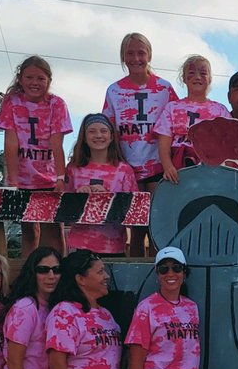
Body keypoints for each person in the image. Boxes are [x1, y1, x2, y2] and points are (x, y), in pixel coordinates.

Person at [102, 32, 179, 256]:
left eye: (141, 53)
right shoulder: (114, 90)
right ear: (123, 58)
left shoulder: (164, 88)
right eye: (130, 53)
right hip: (128, 168)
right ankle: (134, 281)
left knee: (157, 225)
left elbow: (176, 123)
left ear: (149, 55)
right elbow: (109, 128)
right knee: (135, 228)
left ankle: (159, 277)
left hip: (158, 166)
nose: (136, 58)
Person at [0, 55, 71, 259]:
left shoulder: (57, 104)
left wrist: (60, 177)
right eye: (29, 77)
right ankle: (29, 272)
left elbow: (57, 143)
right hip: (23, 177)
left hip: (48, 176)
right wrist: (12, 180)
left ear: (48, 81)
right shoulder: (12, 102)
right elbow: (11, 142)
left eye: (40, 78)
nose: (34, 83)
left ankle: (58, 270)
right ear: (21, 79)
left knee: (54, 229)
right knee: (29, 230)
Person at [63, 113, 139, 256]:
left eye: (103, 131)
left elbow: (132, 212)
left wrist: (108, 198)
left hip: (113, 245)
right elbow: (65, 209)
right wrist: (79, 196)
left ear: (111, 137)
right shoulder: (73, 169)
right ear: (84, 138)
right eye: (92, 131)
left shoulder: (124, 170)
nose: (98, 135)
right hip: (81, 245)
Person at [153, 55, 229, 184]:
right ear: (184, 78)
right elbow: (164, 141)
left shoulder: (220, 111)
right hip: (179, 171)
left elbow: (228, 143)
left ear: (210, 79)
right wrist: (168, 166)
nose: (197, 77)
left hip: (210, 171)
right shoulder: (172, 108)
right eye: (192, 73)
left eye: (203, 73)